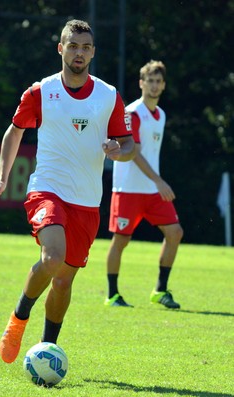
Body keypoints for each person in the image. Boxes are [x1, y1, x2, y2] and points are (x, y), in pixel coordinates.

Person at [0, 19, 134, 364]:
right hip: (47, 189)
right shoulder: (41, 91)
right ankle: (19, 318)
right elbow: (15, 131)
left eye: (85, 47)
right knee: (52, 258)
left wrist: (117, 148)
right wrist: (2, 177)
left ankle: (46, 350)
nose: (79, 53)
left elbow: (128, 146)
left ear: (93, 52)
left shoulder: (109, 95)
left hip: (86, 201)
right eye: (73, 46)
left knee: (64, 281)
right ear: (61, 49)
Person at [104, 60, 183, 309]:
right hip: (128, 189)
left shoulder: (160, 115)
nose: (155, 85)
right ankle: (113, 295)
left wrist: (156, 182)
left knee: (175, 233)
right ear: (141, 83)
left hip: (151, 189)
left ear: (163, 85)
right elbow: (135, 153)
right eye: (150, 80)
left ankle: (160, 290)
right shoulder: (133, 113)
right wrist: (159, 180)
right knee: (121, 241)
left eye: (159, 81)